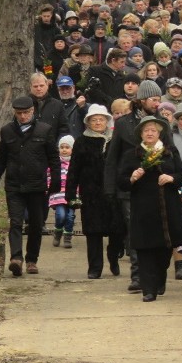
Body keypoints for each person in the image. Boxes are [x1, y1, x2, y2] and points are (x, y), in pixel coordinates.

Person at [103, 80, 176, 293]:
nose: (157, 103)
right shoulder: (124, 123)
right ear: (142, 99)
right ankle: (138, 275)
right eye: (154, 99)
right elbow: (112, 158)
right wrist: (110, 188)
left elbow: (171, 153)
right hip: (130, 186)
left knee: (158, 231)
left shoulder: (162, 122)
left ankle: (157, 273)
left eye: (159, 99)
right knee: (134, 229)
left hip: (158, 187)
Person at [116, 116, 182, 302]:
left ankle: (159, 279)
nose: (150, 133)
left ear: (159, 134)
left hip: (168, 208)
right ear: (141, 134)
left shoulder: (169, 152)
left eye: (153, 130)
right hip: (143, 210)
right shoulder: (132, 155)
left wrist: (171, 178)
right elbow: (122, 182)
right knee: (145, 250)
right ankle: (148, 289)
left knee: (164, 251)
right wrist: (132, 178)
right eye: (146, 130)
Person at [0, 96, 61, 277]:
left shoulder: (44, 130)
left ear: (32, 111)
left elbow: (53, 158)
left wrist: (56, 182)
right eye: (19, 113)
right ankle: (16, 259)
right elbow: (0, 160)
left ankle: (32, 260)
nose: (22, 116)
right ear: (15, 113)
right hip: (14, 185)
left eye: (26, 112)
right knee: (16, 222)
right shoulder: (7, 131)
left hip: (37, 185)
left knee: (36, 224)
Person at [66, 104, 121, 279]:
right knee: (93, 231)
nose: (98, 123)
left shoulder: (115, 140)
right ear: (88, 122)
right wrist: (70, 193)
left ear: (107, 121)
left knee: (117, 230)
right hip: (90, 193)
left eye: (101, 119)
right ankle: (95, 267)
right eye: (94, 120)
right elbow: (73, 168)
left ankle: (113, 257)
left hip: (113, 192)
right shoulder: (81, 141)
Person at [49, 135, 76, 249]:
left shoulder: (75, 164)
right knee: (61, 215)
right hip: (58, 194)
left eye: (67, 147)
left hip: (72, 195)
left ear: (72, 149)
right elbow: (49, 176)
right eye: (62, 147)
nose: (64, 150)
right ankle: (58, 231)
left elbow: (78, 179)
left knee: (70, 216)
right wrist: (51, 186)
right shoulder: (55, 163)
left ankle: (67, 236)